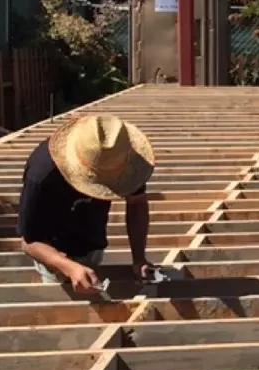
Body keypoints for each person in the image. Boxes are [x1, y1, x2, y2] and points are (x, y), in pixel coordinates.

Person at [18, 113, 157, 294]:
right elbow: (29, 241)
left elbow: (136, 203)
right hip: (51, 250)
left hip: (93, 240)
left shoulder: (124, 159)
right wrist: (67, 266)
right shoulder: (42, 174)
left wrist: (139, 259)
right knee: (61, 306)